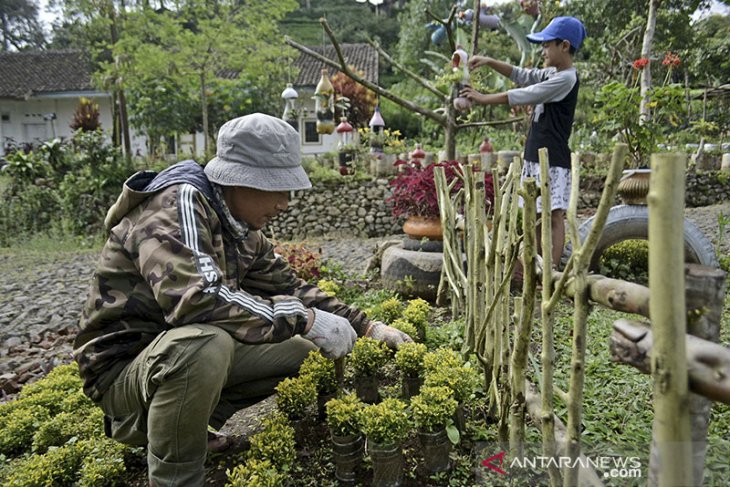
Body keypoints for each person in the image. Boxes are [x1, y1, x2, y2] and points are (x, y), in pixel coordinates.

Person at [73, 113, 413, 486]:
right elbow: (197, 301)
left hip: (167, 357)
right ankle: (175, 476)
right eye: (276, 188)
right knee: (204, 343)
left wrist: (368, 326)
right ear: (238, 179)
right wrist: (306, 319)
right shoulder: (179, 204)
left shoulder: (241, 228)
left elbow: (292, 287)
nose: (285, 202)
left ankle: (182, 428)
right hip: (122, 371)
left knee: (303, 352)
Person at [460, 16, 587, 268]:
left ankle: (550, 270)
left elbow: (528, 93)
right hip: (536, 154)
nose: (543, 50)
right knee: (539, 214)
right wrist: (488, 61)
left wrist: (484, 98)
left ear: (564, 46)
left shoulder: (566, 79)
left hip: (552, 157)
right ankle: (540, 266)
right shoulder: (552, 72)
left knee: (553, 216)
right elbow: (523, 75)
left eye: (547, 45)